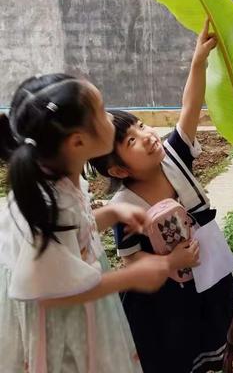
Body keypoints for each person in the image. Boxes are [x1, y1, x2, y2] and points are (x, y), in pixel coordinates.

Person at [0, 73, 200, 372]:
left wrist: (111, 214)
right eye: (102, 111)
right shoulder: (52, 204)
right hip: (63, 330)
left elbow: (68, 235)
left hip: (77, 307)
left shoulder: (56, 178)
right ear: (78, 141)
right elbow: (50, 293)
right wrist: (133, 275)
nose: (110, 117)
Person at [90, 20, 233, 373]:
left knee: (213, 335)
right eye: (131, 141)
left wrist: (198, 62)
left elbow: (189, 108)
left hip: (208, 270)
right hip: (165, 300)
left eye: (141, 125)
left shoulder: (174, 157)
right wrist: (171, 263)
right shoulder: (123, 208)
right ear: (119, 171)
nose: (146, 135)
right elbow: (131, 262)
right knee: (175, 353)